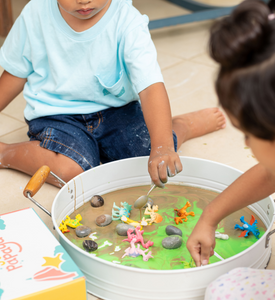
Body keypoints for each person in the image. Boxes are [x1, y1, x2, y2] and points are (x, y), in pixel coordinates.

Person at [0, 0, 226, 187]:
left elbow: (150, 87)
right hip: (57, 114)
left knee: (150, 156)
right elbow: (15, 73)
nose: (83, 0)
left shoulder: (127, 19)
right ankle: (5, 153)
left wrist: (163, 146)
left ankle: (181, 126)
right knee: (71, 171)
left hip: (117, 112)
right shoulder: (35, 13)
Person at [186, 0, 275, 299]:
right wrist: (210, 216)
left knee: (223, 290)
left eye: (249, 134)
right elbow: (270, 174)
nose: (246, 144)